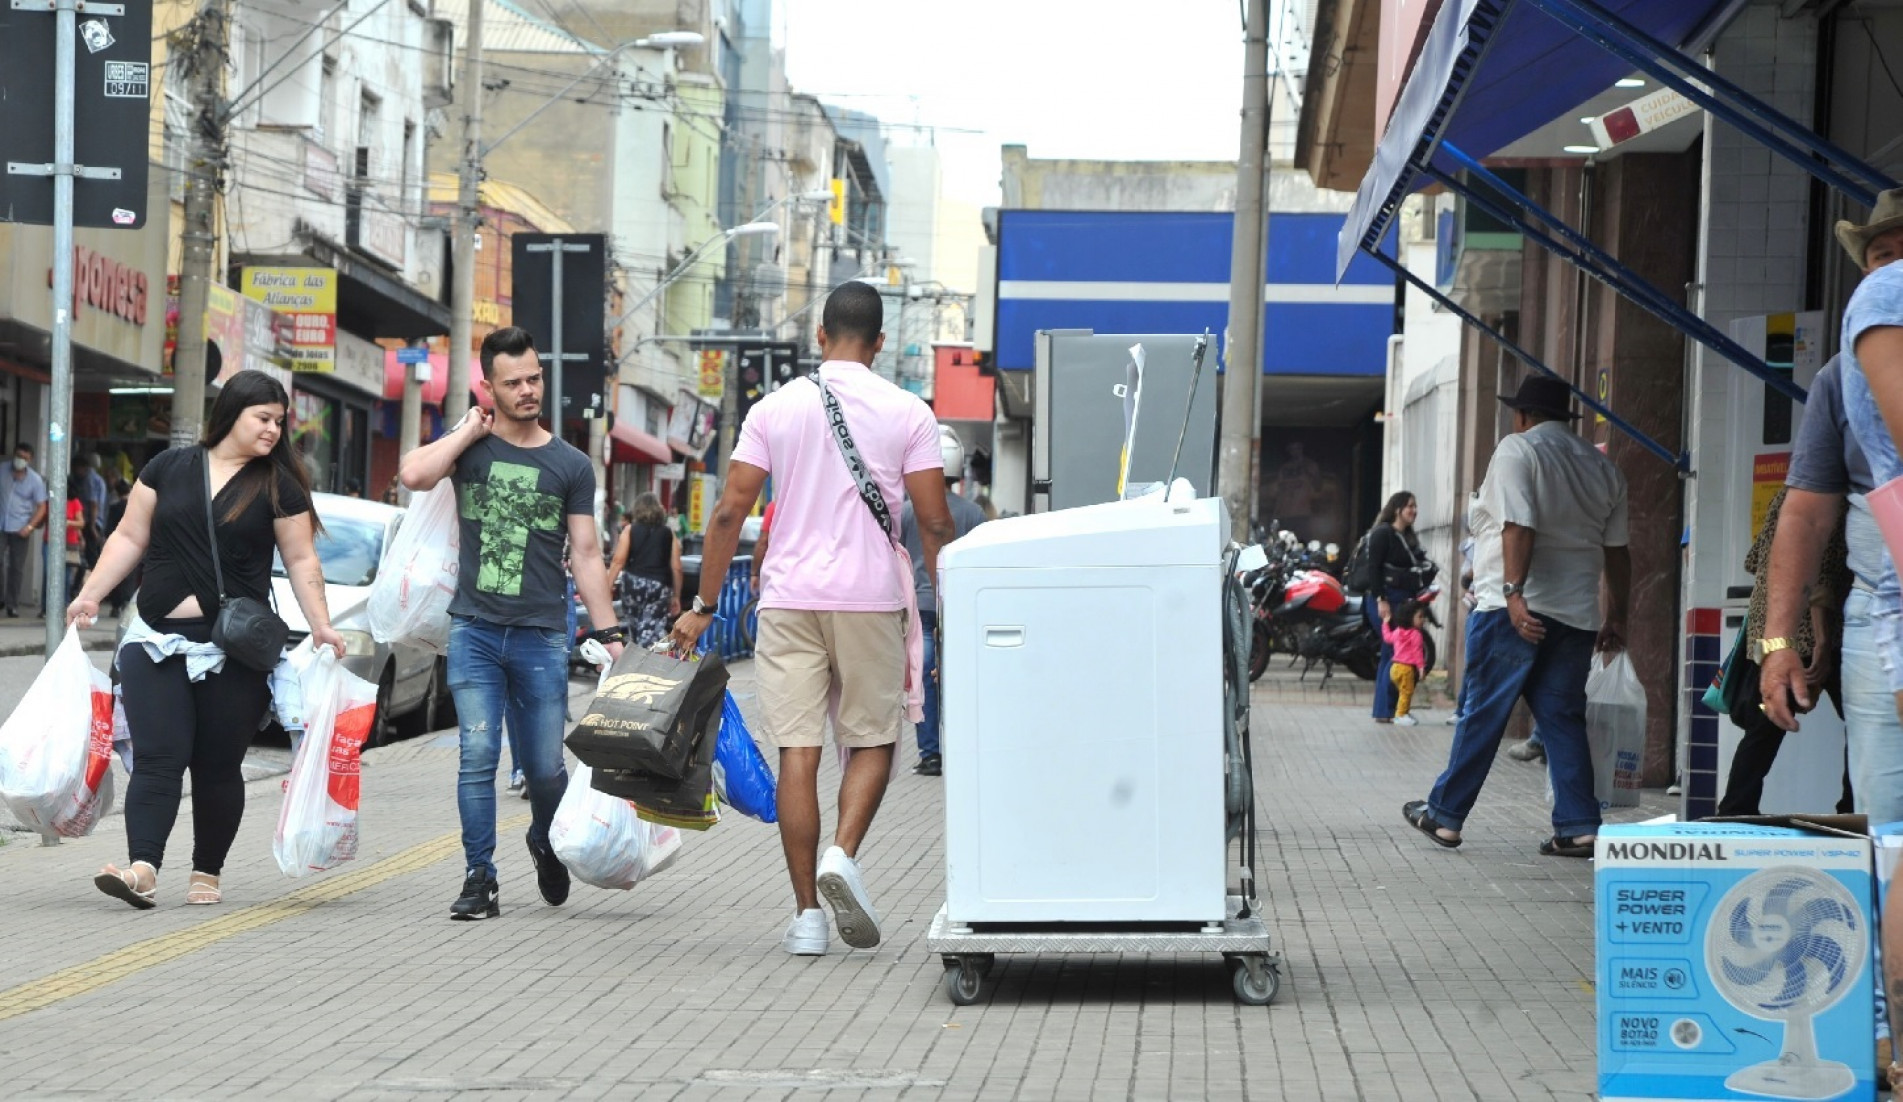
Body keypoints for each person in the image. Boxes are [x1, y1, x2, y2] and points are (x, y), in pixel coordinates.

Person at [670, 282, 954, 957]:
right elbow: (936, 522)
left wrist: (704, 607)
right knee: (874, 740)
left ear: (819, 336)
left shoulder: (774, 408)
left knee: (798, 753)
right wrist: (951, 609)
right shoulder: (908, 413)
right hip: (869, 599)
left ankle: (805, 919)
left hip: (789, 598)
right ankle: (842, 853)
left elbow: (728, 513)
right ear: (879, 343)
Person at [66, 370, 344, 909]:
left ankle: (207, 873)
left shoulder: (276, 484)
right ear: (232, 413)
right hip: (154, 643)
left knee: (217, 765)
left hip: (234, 652)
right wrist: (91, 594)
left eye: (278, 422)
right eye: (262, 418)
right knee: (157, 758)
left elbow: (302, 558)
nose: (272, 430)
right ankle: (143, 869)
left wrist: (321, 625)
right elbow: (129, 536)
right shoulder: (167, 468)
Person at [398, 325, 624, 921]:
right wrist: (469, 429)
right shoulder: (470, 447)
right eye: (513, 382)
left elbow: (586, 552)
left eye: (534, 378)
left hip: (541, 634)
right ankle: (480, 878)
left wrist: (609, 633)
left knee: (546, 768)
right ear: (488, 387)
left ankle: (545, 840)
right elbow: (414, 475)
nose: (527, 390)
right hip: (473, 629)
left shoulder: (570, 464)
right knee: (477, 756)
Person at [1402, 374, 1629, 857]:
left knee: (1483, 713)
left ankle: (1445, 817)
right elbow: (1618, 551)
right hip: (1577, 615)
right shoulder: (1601, 467)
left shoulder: (1517, 450)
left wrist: (1513, 594)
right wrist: (1617, 616)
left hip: (1514, 612)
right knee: (1562, 719)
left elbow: (1518, 524)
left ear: (1523, 416)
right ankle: (1579, 826)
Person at [1762, 189, 1903, 828]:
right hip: (1879, 608)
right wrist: (1777, 639)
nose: (1894, 270)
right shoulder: (1839, 377)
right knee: (1889, 820)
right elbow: (1804, 515)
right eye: (1883, 257)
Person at [1718, 486, 1851, 816]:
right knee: (1863, 721)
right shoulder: (1833, 496)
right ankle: (1853, 808)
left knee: (1766, 722)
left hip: (1770, 623)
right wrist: (1821, 641)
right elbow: (1820, 574)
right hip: (1808, 631)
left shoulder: (1787, 495)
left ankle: (1736, 808)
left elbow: (1754, 559)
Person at [900, 427, 988, 777]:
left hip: (920, 608)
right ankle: (964, 746)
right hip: (960, 608)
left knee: (923, 677)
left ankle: (930, 752)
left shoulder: (906, 512)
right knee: (959, 675)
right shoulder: (974, 515)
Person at [1362, 491, 1434, 722]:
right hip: (1385, 599)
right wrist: (1381, 599)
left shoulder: (1407, 537)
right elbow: (1374, 568)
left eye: (1415, 506)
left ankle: (1388, 710)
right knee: (1396, 653)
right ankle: (1389, 710)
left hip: (1403, 600)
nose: (1414, 510)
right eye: (1409, 506)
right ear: (1397, 509)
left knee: (1391, 654)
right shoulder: (1383, 533)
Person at [606, 492, 682, 648]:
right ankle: (647, 658)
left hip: (633, 584)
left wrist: (607, 587)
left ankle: (636, 656)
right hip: (658, 587)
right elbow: (676, 567)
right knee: (652, 630)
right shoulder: (668, 533)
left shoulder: (629, 530)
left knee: (634, 628)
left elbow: (618, 561)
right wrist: (676, 596)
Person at [1, 442, 48, 617]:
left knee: (16, 567)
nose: (20, 460)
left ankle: (12, 605)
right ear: (14, 455)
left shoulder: (35, 480)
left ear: (30, 460)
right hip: (1, 525)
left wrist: (30, 526)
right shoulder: (2, 470)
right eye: (19, 456)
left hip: (21, 527)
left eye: (25, 458)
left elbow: (41, 507)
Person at [1383, 599, 1428, 728]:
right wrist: (1421, 669)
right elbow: (1418, 653)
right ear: (1410, 618)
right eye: (1420, 617)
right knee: (1406, 693)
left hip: (1394, 667)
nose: (1423, 620)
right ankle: (1400, 715)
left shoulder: (1397, 631)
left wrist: (1385, 624)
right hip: (1406, 668)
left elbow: (1387, 638)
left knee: (1402, 691)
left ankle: (1404, 713)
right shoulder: (1416, 635)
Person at [1272, 442, 1322, 538]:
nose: (1295, 452)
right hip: (1285, 514)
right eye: (1292, 449)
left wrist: (1310, 476)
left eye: (1297, 448)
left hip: (1302, 513)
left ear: (1302, 449)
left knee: (1303, 542)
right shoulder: (1285, 468)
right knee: (1285, 543)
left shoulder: (1311, 466)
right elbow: (1279, 491)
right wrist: (1276, 513)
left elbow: (1318, 487)